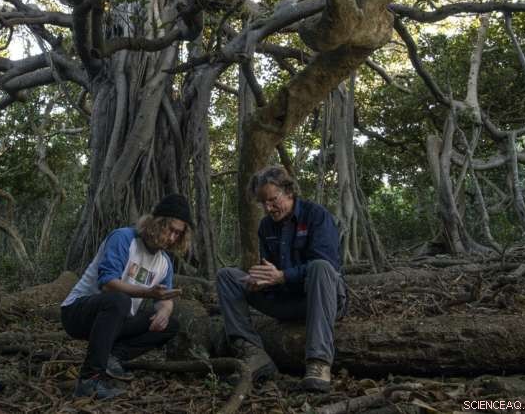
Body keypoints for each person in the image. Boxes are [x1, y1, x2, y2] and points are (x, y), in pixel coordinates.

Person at [216, 166, 346, 393]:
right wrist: (261, 281)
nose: (268, 207)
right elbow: (270, 270)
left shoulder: (317, 216)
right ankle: (254, 355)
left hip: (322, 300)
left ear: (289, 191)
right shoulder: (266, 226)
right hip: (285, 301)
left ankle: (319, 362)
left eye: (273, 200)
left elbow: (329, 268)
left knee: (320, 267)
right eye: (263, 203)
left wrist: (283, 276)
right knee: (227, 276)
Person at [60, 194, 193, 399]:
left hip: (116, 320)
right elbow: (108, 284)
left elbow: (164, 298)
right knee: (118, 299)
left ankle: (114, 357)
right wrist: (147, 292)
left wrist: (164, 312)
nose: (173, 238)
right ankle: (89, 381)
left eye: (178, 234)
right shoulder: (123, 238)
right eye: (171, 230)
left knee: (170, 325)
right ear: (157, 223)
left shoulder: (164, 262)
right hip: (78, 313)